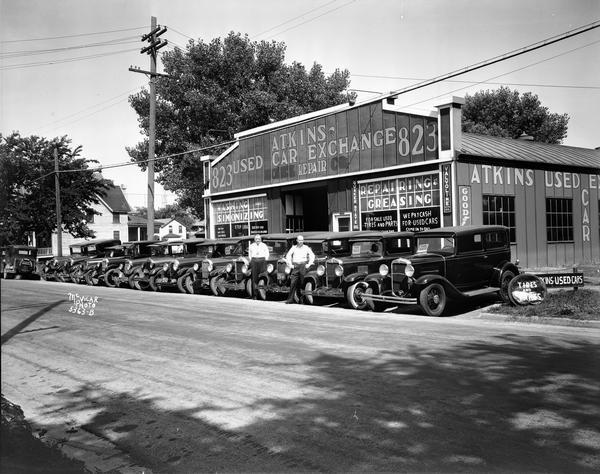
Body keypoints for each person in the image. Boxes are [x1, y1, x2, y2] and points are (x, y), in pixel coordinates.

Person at [285, 235, 315, 304]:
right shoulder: (293, 248)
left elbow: (312, 255)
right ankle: (290, 299)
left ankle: (301, 298)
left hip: (303, 265)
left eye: (302, 240)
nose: (301, 242)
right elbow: (288, 255)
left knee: (302, 282)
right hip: (295, 266)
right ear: (297, 240)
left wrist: (309, 264)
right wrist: (290, 264)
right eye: (299, 240)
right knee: (293, 282)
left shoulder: (306, 248)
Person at [248, 234, 269, 299]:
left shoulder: (264, 245)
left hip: (262, 260)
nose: (258, 240)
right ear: (254, 239)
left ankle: (264, 293)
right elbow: (250, 254)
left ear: (261, 239)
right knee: (254, 278)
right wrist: (251, 260)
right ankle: (255, 295)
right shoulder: (251, 246)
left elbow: (267, 253)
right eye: (256, 239)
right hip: (254, 260)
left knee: (263, 276)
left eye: (259, 239)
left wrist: (265, 259)